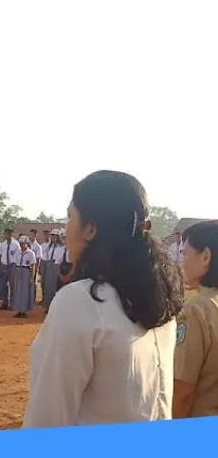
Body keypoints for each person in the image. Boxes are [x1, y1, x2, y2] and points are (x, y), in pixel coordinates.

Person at [23, 170, 185, 427]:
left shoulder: (81, 302)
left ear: (90, 228)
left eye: (69, 217)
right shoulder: (161, 297)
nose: (66, 229)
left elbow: (47, 419)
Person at [175, 220, 218, 418]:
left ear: (206, 257)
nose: (181, 262)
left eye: (185, 254)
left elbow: (182, 392)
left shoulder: (197, 311)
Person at [12, 235, 38, 318]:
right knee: (18, 291)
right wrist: (15, 274)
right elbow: (15, 264)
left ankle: (24, 310)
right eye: (20, 243)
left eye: (23, 243)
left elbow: (33, 266)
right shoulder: (18, 252)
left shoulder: (31, 253)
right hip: (19, 271)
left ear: (27, 243)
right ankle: (19, 309)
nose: (21, 245)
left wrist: (31, 278)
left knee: (25, 291)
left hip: (26, 271)